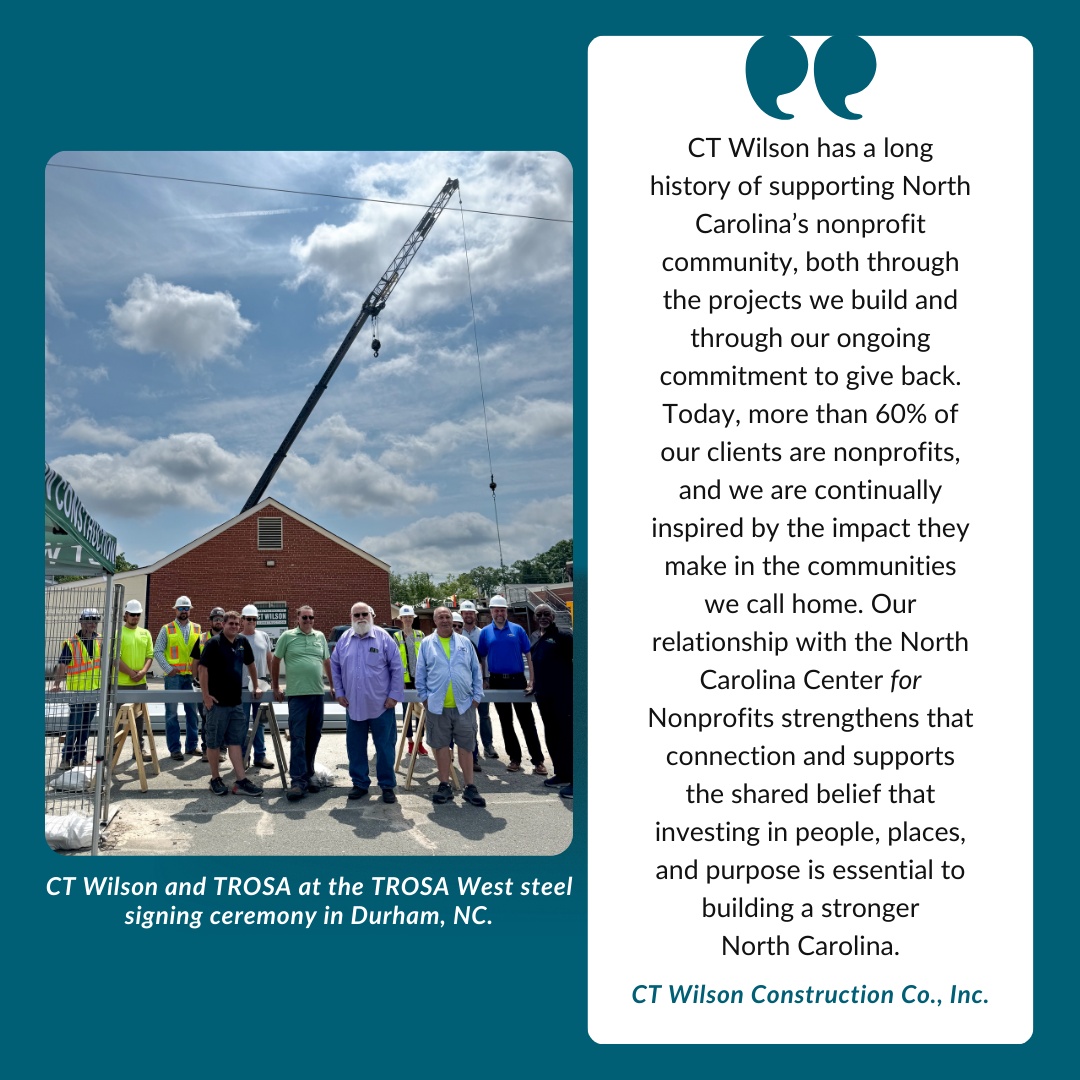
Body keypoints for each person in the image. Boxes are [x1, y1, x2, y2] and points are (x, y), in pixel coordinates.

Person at [331, 601, 404, 803]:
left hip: (382, 705)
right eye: (356, 615)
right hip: (353, 705)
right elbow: (335, 667)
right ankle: (360, 783)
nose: (361, 618)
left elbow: (397, 668)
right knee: (355, 747)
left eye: (364, 614)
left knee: (385, 748)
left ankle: (387, 786)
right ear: (351, 618)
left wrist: (394, 695)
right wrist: (339, 691)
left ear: (371, 615)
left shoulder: (384, 638)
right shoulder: (344, 640)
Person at [415, 606, 486, 806]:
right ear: (435, 621)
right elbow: (420, 674)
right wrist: (425, 698)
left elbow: (476, 671)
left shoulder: (465, 643)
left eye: (447, 616)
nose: (445, 620)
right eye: (441, 617)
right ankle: (444, 785)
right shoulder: (427, 644)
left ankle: (470, 787)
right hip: (437, 707)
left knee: (466, 745)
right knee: (441, 746)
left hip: (464, 705)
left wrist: (476, 698)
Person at [191, 611, 263, 797]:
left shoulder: (242, 642)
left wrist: (256, 686)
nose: (234, 626)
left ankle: (240, 781)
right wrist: (206, 695)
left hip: (236, 703)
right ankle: (215, 779)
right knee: (213, 743)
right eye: (230, 623)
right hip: (217, 703)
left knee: (235, 742)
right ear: (223, 624)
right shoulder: (213, 643)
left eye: (236, 624)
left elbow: (251, 665)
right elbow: (202, 669)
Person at [477, 595, 545, 774]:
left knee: (527, 721)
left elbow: (528, 654)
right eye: (496, 610)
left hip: (517, 680)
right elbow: (481, 657)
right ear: (491, 611)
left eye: (502, 610)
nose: (500, 613)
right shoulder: (485, 632)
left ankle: (538, 761)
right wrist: (484, 679)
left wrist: (532, 679)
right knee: (506, 722)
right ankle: (515, 759)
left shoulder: (518, 630)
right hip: (497, 680)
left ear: (506, 611)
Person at [272, 605, 332, 801]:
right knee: (298, 738)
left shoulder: (320, 637)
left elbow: (327, 662)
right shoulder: (287, 637)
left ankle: (309, 774)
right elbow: (275, 660)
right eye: (304, 617)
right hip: (297, 696)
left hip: (317, 694)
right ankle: (297, 782)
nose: (308, 621)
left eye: (311, 618)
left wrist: (333, 685)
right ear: (297, 618)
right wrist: (275, 686)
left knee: (314, 736)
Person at [528, 604, 574, 798]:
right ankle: (562, 774)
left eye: (547, 614)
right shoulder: (536, 637)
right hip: (543, 696)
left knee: (567, 738)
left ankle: (578, 780)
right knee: (552, 737)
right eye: (539, 614)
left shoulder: (564, 636)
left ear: (553, 616)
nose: (543, 617)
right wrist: (532, 684)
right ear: (535, 617)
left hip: (563, 696)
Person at [51, 608, 102, 768]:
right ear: (81, 622)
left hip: (94, 691)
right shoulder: (72, 643)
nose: (92, 624)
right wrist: (57, 684)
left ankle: (80, 758)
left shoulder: (100, 640)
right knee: (75, 725)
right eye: (88, 620)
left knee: (86, 726)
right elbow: (62, 665)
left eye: (94, 621)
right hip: (77, 692)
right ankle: (65, 758)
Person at [154, 596, 202, 761]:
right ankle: (175, 749)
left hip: (191, 677)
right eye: (181, 608)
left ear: (190, 610)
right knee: (171, 714)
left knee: (192, 713)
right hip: (173, 678)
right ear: (175, 610)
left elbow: (200, 653)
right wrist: (168, 669)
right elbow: (157, 651)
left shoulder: (197, 629)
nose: (183, 611)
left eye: (186, 608)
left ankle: (192, 745)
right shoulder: (166, 629)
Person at [116, 599, 155, 761]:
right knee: (117, 720)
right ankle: (111, 750)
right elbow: (114, 659)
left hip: (140, 684)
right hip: (121, 684)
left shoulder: (145, 633)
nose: (135, 617)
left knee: (139, 719)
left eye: (138, 615)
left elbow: (149, 656)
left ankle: (139, 750)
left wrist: (143, 672)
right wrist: (132, 673)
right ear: (125, 615)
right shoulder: (118, 633)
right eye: (132, 614)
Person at [238, 604, 275, 770]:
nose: (251, 622)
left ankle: (260, 756)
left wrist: (274, 681)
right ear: (242, 620)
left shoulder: (264, 636)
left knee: (259, 722)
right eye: (248, 619)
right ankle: (244, 756)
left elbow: (270, 660)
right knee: (243, 723)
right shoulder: (237, 638)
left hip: (261, 686)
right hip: (243, 687)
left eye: (254, 619)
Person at [460, 600, 498, 760]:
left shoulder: (482, 633)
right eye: (466, 613)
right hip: (463, 683)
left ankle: (488, 745)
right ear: (461, 615)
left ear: (475, 615)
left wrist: (485, 679)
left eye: (471, 613)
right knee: (467, 717)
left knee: (484, 714)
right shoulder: (456, 633)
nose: (468, 615)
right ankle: (472, 746)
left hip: (480, 680)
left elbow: (485, 658)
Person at [391, 604, 427, 757]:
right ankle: (411, 742)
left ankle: (420, 742)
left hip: (419, 680)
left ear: (413, 618)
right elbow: (394, 660)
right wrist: (399, 679)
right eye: (405, 617)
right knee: (407, 712)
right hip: (405, 681)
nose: (407, 619)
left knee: (422, 712)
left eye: (410, 616)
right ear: (401, 619)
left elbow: (426, 656)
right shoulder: (397, 636)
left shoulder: (420, 635)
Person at [195, 606, 226, 760]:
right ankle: (206, 749)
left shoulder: (232, 637)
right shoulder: (201, 638)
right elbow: (195, 660)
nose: (219, 622)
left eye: (221, 619)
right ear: (211, 621)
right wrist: (196, 679)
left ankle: (221, 750)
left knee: (224, 719)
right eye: (216, 619)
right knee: (206, 718)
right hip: (205, 686)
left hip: (225, 687)